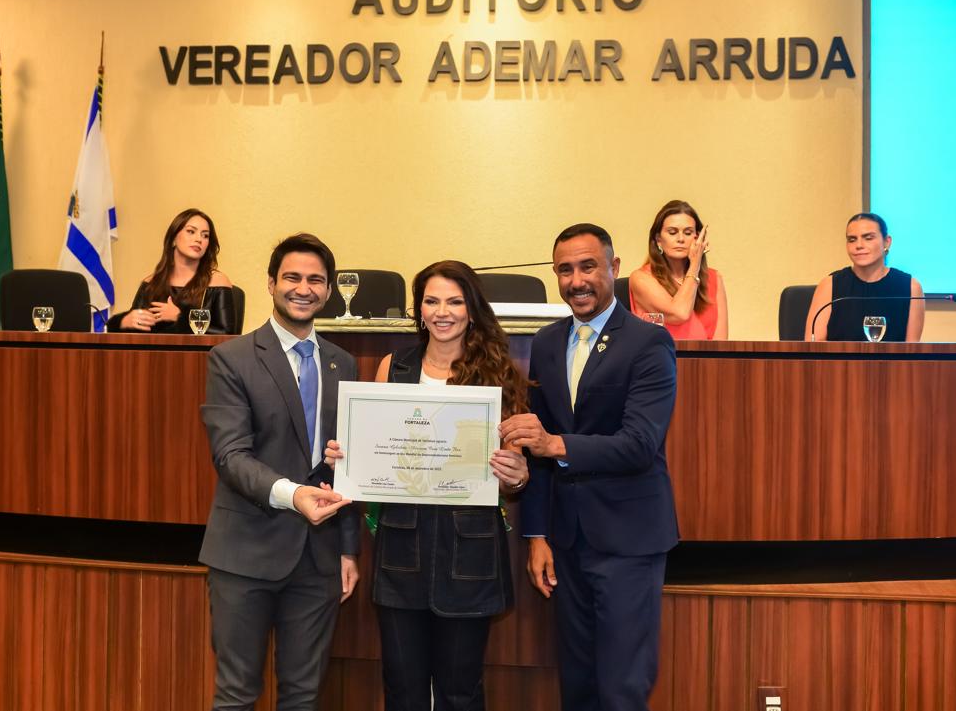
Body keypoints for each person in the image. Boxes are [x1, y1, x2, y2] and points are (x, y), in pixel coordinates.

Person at [324, 260, 529, 711]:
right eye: (432, 301)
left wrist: (517, 474)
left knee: (461, 691)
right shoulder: (391, 366)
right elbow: (374, 453)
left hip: (469, 553)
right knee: (402, 688)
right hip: (402, 550)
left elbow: (516, 470)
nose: (443, 312)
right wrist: (348, 457)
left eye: (455, 301)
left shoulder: (500, 374)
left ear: (471, 309)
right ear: (418, 310)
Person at [500, 223, 678, 711]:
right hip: (567, 540)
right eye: (565, 270)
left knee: (622, 689)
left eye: (588, 266)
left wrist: (555, 442)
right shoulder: (548, 342)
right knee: (576, 686)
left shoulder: (648, 343)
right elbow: (538, 451)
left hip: (629, 540)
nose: (577, 280)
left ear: (614, 269)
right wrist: (536, 535)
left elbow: (640, 444)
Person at [198, 233, 360, 711]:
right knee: (236, 695)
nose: (303, 288)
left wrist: (349, 549)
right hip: (245, 554)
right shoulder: (231, 358)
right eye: (292, 277)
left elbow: (346, 467)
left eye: (315, 280)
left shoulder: (342, 363)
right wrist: (295, 496)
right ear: (271, 284)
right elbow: (230, 456)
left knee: (303, 696)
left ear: (328, 291)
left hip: (318, 559)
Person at [108, 208, 236, 334]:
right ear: (174, 237)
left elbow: (226, 333)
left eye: (205, 235)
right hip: (153, 353)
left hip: (199, 355)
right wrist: (123, 321)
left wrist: (179, 318)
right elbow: (135, 331)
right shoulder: (151, 283)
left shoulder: (216, 281)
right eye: (191, 231)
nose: (199, 239)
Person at [805, 212, 924, 342]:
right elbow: (813, 347)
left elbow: (912, 352)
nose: (859, 245)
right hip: (838, 363)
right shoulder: (830, 285)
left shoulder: (910, 287)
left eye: (868, 238)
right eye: (852, 239)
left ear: (886, 242)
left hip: (891, 363)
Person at [628, 199, 728, 340]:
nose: (680, 239)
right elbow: (679, 313)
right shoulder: (641, 278)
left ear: (698, 238)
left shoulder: (714, 278)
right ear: (658, 239)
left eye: (687, 233)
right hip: (660, 360)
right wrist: (695, 264)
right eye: (672, 232)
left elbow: (721, 344)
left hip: (706, 361)